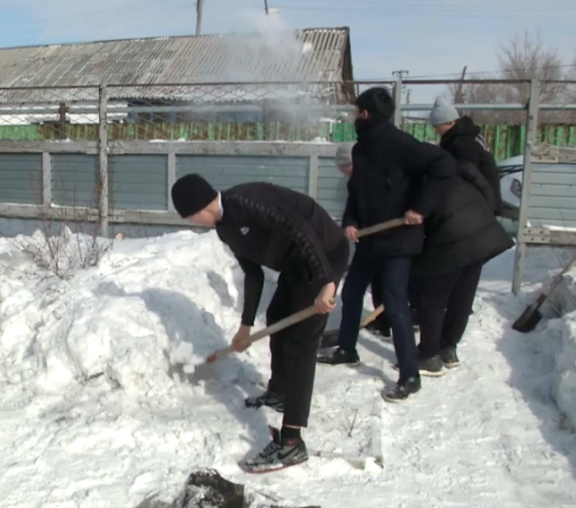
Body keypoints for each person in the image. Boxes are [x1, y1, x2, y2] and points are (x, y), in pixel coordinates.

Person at [171, 173, 349, 473]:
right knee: (278, 316)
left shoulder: (248, 201)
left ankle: (292, 442)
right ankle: (279, 392)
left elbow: (300, 228)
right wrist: (246, 326)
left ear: (199, 207)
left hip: (324, 258)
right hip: (297, 267)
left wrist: (327, 282)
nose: (192, 222)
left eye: (190, 217)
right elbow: (252, 274)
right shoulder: (224, 228)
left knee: (300, 344)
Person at [318, 87, 457, 403]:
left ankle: (410, 375)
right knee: (352, 292)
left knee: (395, 303)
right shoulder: (361, 149)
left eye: (356, 112)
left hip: (397, 239)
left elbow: (444, 167)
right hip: (370, 237)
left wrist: (421, 208)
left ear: (366, 114)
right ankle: (347, 348)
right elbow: (357, 192)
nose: (354, 117)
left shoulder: (398, 143)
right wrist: (350, 221)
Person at [410, 160, 513, 373]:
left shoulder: (423, 184)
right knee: (462, 297)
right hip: (481, 238)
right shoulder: (456, 175)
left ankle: (429, 354)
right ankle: (448, 347)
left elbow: (419, 226)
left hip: (454, 242)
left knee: (432, 298)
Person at [335, 142, 391, 338]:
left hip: (387, 241)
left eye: (345, 167)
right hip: (369, 242)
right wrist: (350, 223)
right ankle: (382, 323)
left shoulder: (380, 179)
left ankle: (388, 322)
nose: (344, 172)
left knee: (388, 287)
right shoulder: (354, 182)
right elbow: (351, 208)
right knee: (374, 284)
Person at [428, 96, 503, 216]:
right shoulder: (468, 136)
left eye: (437, 126)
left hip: (480, 205)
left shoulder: (462, 144)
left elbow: (469, 176)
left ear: (450, 122)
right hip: (486, 200)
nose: (436, 130)